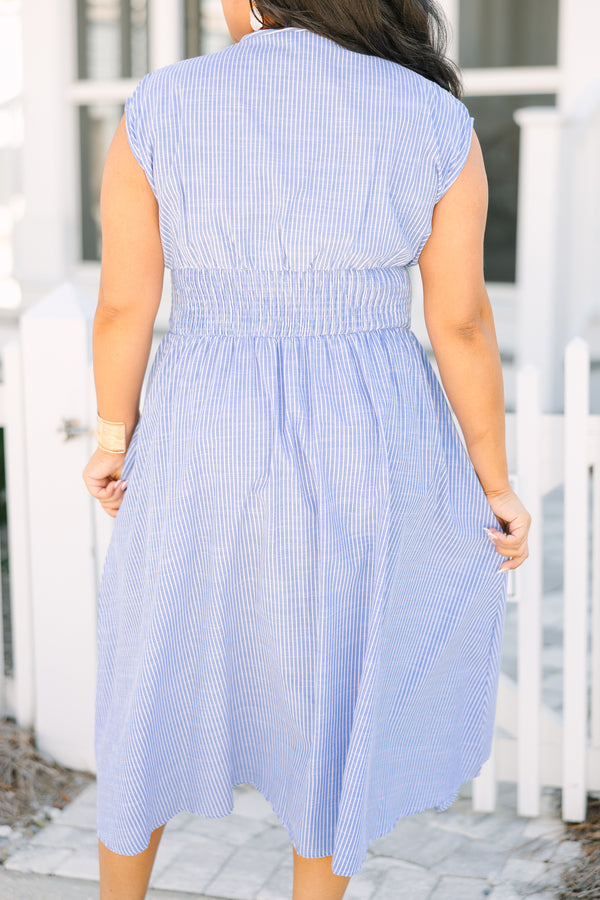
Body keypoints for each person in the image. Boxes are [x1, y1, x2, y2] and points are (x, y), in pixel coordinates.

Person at [82, 1, 531, 898]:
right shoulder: (431, 116)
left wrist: (111, 435)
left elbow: (126, 305)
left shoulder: (161, 105)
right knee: (338, 670)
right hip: (370, 421)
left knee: (157, 661)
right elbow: (463, 323)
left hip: (206, 417)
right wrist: (498, 481)